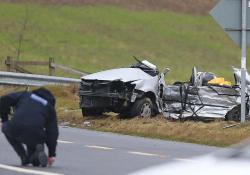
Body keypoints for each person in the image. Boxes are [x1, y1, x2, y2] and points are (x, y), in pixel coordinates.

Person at [0, 87, 59, 167]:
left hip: (15, 126)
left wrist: (4, 119)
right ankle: (36, 152)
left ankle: (23, 157)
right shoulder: (50, 108)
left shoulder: (25, 95)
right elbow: (52, 132)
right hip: (36, 132)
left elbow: (3, 100)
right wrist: (52, 154)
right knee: (35, 159)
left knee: (6, 127)